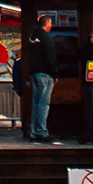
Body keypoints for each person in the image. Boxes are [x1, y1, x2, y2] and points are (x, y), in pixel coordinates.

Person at [26, 13, 58, 143]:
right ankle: (42, 131)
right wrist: (55, 73)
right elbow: (51, 57)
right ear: (46, 24)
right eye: (50, 24)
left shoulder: (32, 37)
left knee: (36, 103)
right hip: (45, 73)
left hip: (34, 72)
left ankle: (34, 131)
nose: (51, 26)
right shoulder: (46, 38)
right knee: (44, 104)